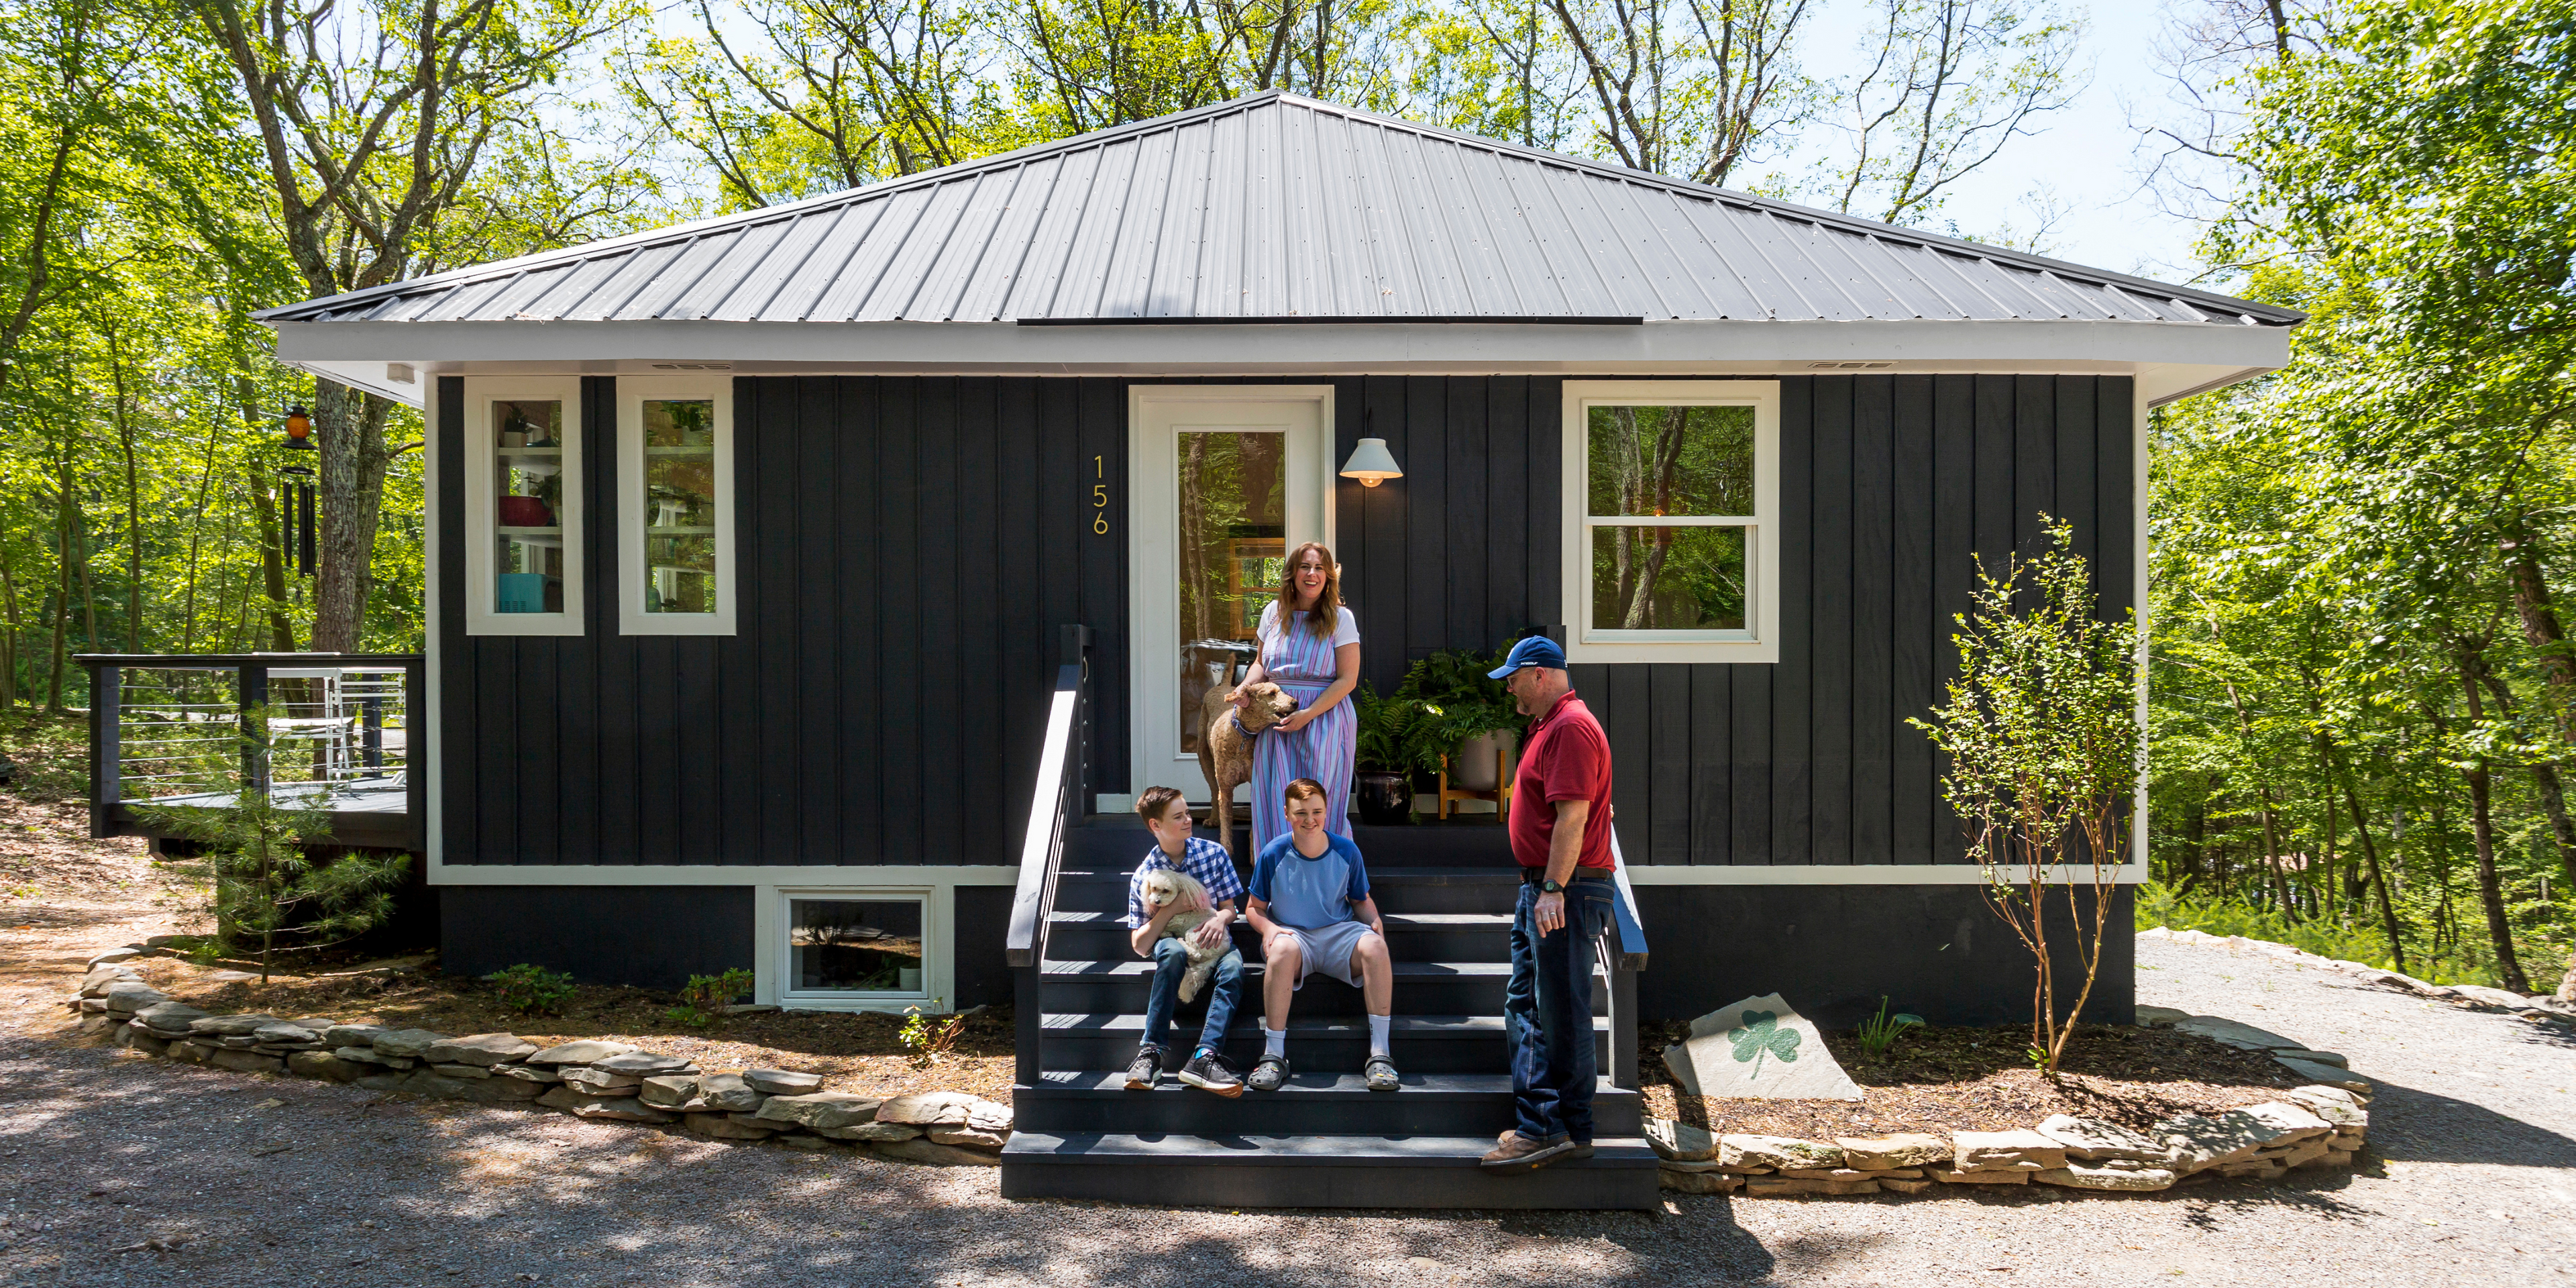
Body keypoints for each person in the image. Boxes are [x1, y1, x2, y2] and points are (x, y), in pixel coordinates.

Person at [1478, 636, 1618, 1175]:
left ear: (1540, 675)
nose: (1510, 689)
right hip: (1546, 886)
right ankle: (1563, 1127)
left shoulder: (1569, 728)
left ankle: (1545, 1128)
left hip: (1566, 888)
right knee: (1536, 1004)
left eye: (1513, 678)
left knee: (1552, 1009)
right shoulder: (1553, 726)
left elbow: (1573, 817)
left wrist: (1553, 890)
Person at [1242, 777, 1399, 1093]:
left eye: (1317, 811)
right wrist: (1269, 928)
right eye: (1300, 813)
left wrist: (1374, 919)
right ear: (1287, 814)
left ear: (1327, 812)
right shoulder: (1273, 853)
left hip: (1340, 933)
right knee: (1282, 951)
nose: (1309, 820)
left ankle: (1381, 1055)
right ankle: (1273, 1055)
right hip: (1294, 937)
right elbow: (1254, 908)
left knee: (1376, 947)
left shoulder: (1346, 850)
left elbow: (1360, 899)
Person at [1226, 541, 1359, 851]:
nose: (1312, 574)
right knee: (1275, 800)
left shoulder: (1342, 618)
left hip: (1324, 718)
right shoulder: (1273, 612)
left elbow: (1347, 679)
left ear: (1328, 577)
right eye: (1305, 567)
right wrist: (1246, 689)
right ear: (1292, 574)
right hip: (1277, 718)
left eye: (1319, 569)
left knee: (1317, 801)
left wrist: (1308, 714)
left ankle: (1327, 884)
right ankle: (1276, 884)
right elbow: (1261, 664)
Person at [1122, 785, 1246, 1097]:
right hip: (1172, 940)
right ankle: (1150, 1052)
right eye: (1178, 817)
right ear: (1156, 825)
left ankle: (1204, 1057)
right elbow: (1139, 944)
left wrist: (1220, 919)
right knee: (1172, 952)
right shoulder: (1145, 876)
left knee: (1233, 969)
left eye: (1188, 813)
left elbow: (1231, 909)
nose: (1189, 820)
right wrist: (1171, 910)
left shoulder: (1213, 853)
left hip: (1214, 942)